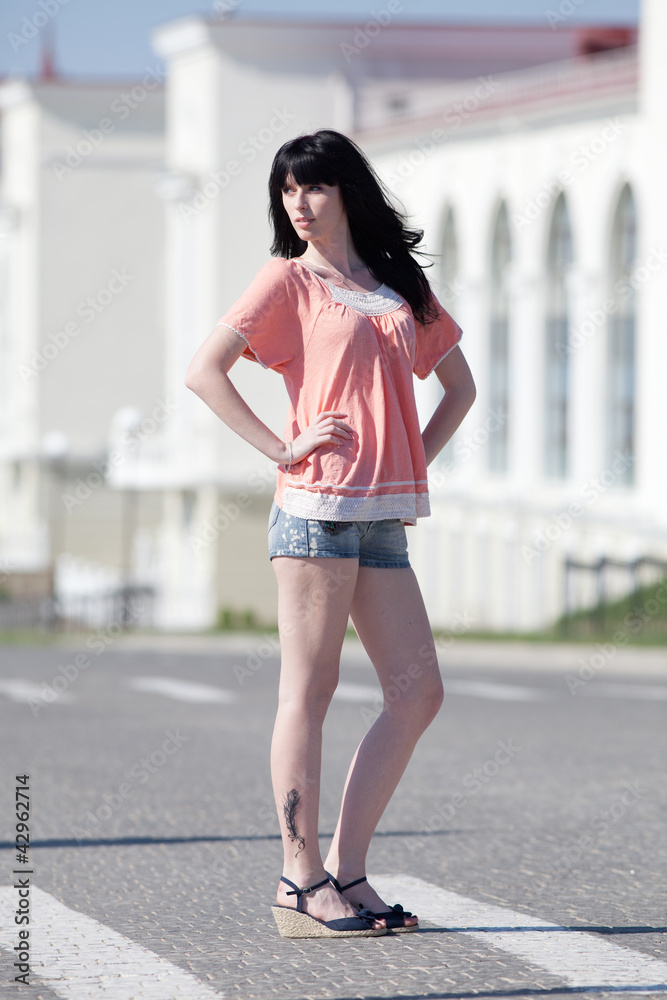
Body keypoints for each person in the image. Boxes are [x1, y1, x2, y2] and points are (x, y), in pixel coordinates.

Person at [185, 128, 476, 938]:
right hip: (313, 512)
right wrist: (283, 448)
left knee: (418, 693)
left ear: (345, 189)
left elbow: (458, 385)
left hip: (382, 516)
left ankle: (346, 871)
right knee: (307, 694)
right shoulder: (286, 281)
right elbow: (203, 370)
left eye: (312, 187)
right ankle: (298, 879)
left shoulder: (394, 284)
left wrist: (413, 457)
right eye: (286, 191)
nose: (299, 204)